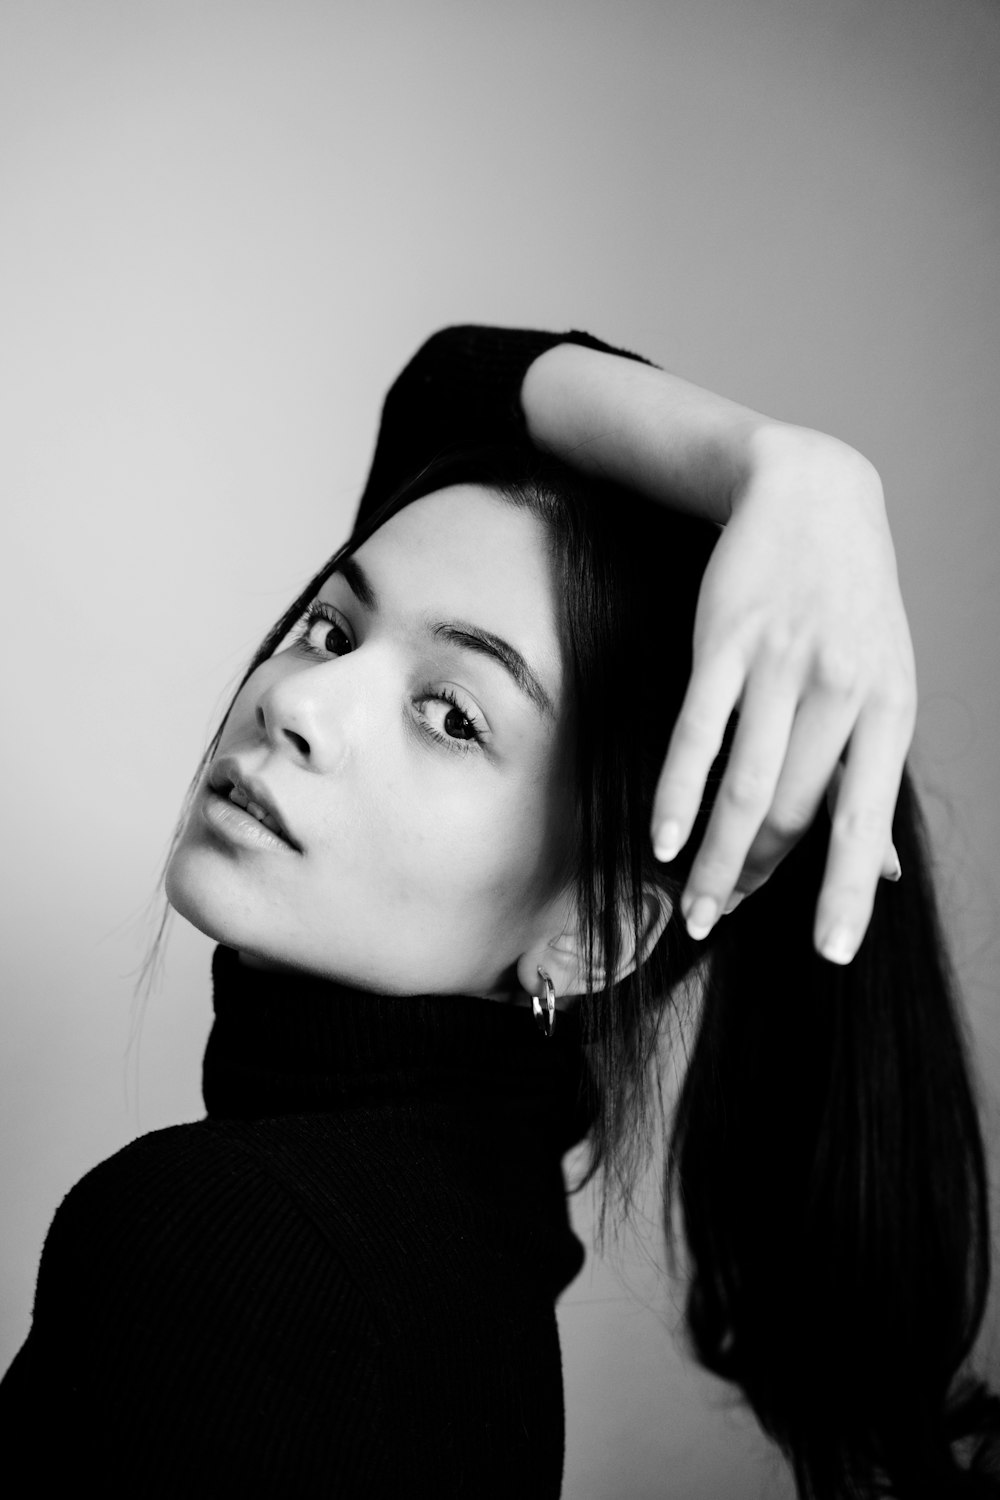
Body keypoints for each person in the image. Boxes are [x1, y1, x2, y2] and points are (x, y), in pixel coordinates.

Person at [1, 324, 996, 1498]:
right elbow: (454, 391)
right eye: (332, 627)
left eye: (453, 715)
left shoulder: (234, 1249)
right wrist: (795, 475)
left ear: (595, 938)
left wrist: (801, 476)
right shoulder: (468, 1267)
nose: (303, 702)